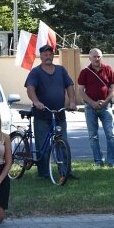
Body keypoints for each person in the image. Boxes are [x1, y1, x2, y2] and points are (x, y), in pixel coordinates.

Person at [24, 44, 77, 177]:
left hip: (59, 114)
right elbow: (30, 88)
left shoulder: (61, 70)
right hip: (42, 115)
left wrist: (71, 101)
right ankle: (44, 173)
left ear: (53, 55)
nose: (48, 57)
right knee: (43, 145)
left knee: (62, 142)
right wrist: (36, 102)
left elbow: (69, 85)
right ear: (41, 56)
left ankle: (65, 172)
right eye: (45, 54)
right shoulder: (36, 72)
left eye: (50, 54)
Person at [77, 48, 114, 168]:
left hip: (106, 107)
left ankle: (112, 162)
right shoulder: (85, 72)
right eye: (94, 56)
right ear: (89, 58)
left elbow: (113, 86)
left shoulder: (108, 69)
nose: (97, 58)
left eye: (99, 56)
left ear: (102, 57)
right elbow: (81, 90)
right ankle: (98, 161)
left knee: (111, 135)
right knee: (93, 136)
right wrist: (92, 103)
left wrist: (106, 101)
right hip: (90, 108)